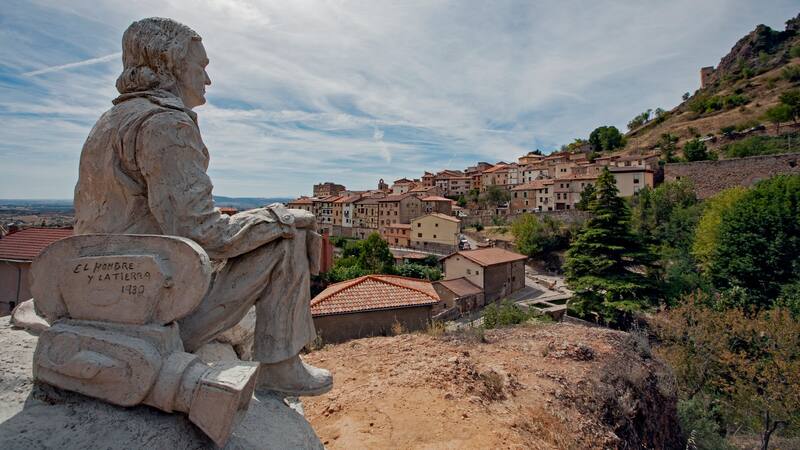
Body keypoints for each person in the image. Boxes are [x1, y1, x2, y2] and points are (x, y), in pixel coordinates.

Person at [73, 17, 331, 396]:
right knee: (288, 236)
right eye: (202, 67)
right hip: (149, 308)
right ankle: (281, 366)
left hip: (104, 293)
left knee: (280, 225)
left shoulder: (111, 120)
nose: (207, 80)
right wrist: (281, 217)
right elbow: (203, 234)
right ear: (171, 64)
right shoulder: (165, 124)